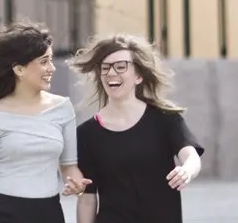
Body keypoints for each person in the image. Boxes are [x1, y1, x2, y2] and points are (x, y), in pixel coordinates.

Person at [0, 23, 89, 223]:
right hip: (2, 212)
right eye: (44, 61)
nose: (52, 68)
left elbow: (68, 166)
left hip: (48, 212)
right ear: (19, 69)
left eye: (50, 60)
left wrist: (77, 183)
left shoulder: (63, 108)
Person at [70, 33, 204, 223]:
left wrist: (186, 171)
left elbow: (191, 155)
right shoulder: (86, 134)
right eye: (105, 67)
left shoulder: (165, 118)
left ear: (139, 75)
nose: (111, 73)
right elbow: (87, 198)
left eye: (121, 66)